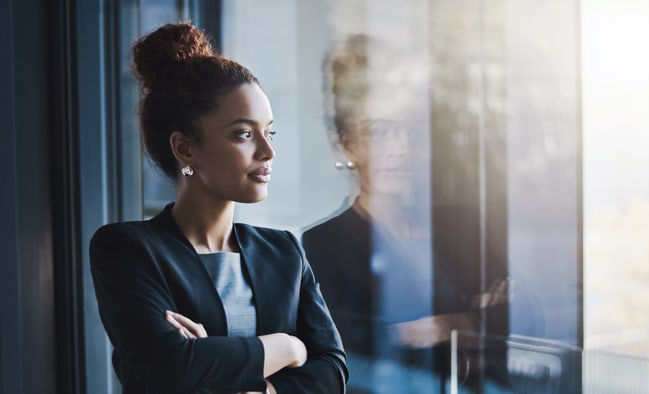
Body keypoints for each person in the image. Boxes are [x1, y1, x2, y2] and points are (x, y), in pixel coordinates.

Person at [89, 22, 347, 394]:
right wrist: (289, 347)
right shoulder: (127, 248)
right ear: (185, 149)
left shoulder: (284, 252)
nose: (267, 151)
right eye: (244, 134)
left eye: (268, 132)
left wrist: (251, 382)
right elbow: (172, 368)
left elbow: (333, 372)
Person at [302, 35, 510, 393]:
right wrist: (471, 321)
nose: (401, 149)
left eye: (411, 132)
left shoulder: (461, 223)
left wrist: (443, 328)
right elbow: (356, 348)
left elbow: (520, 316)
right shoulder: (324, 244)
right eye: (379, 132)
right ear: (346, 144)